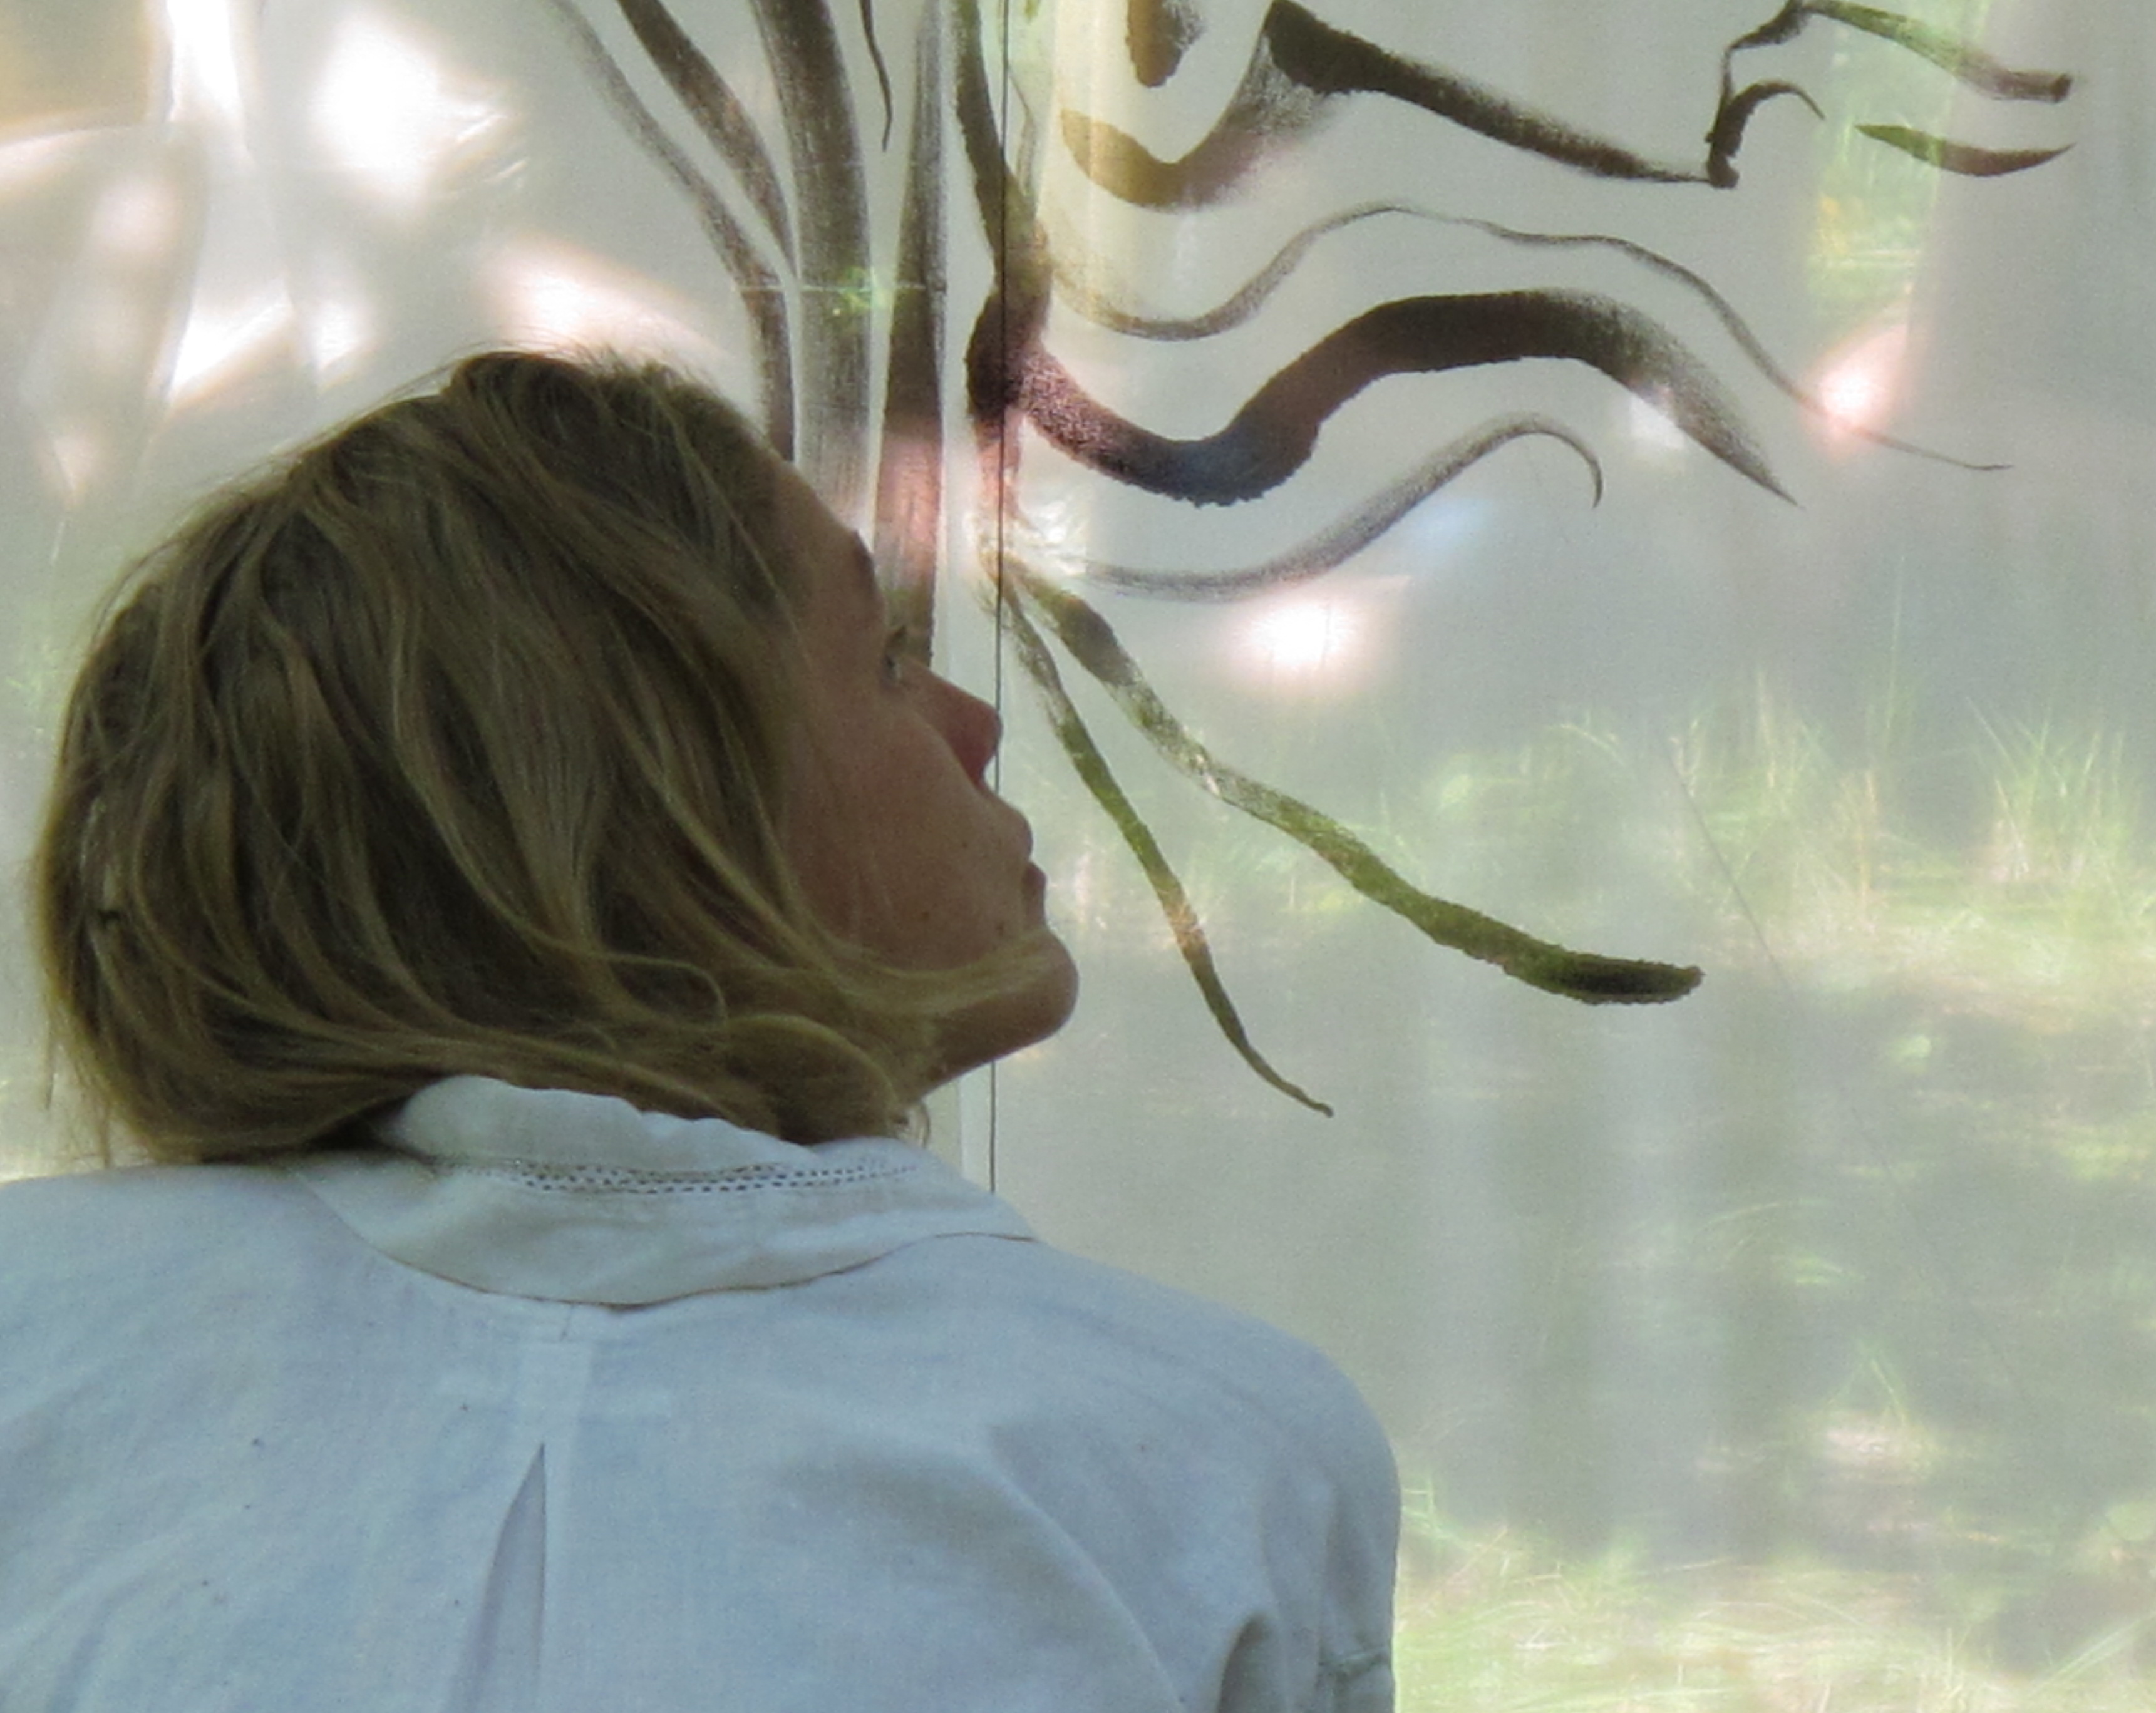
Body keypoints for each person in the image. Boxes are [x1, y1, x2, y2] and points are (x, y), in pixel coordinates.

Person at [0, 351, 1398, 1710]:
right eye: (887, 660)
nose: (976, 726)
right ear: (647, 787)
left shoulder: (44, 1332)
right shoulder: (1207, 1454)